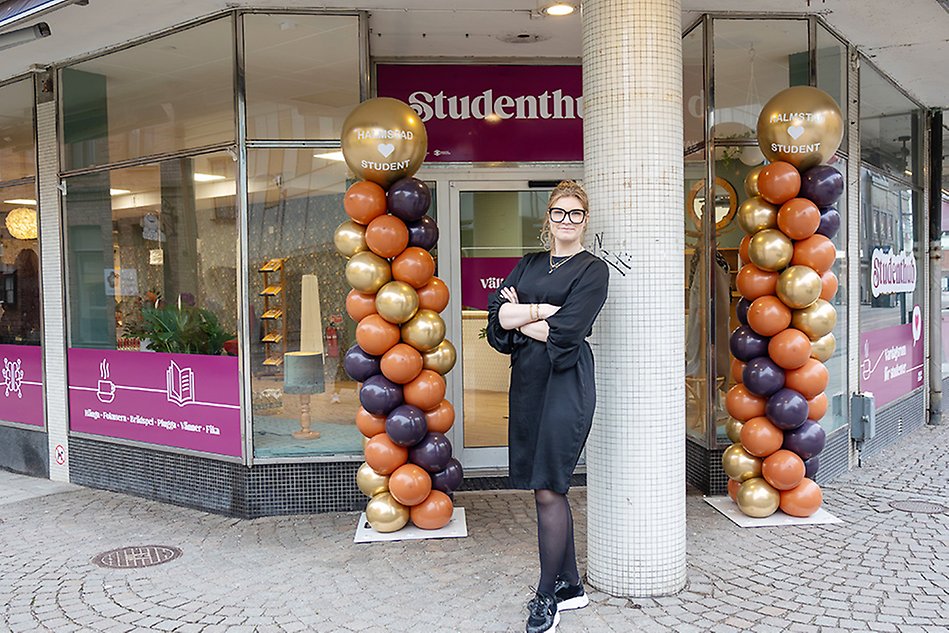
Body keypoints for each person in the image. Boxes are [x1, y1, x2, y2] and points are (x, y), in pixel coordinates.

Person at [485, 180, 609, 633]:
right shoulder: (530, 263)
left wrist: (526, 313)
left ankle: (545, 597)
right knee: (547, 485)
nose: (568, 221)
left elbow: (570, 332)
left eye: (576, 214)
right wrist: (543, 312)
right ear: (549, 218)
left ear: (585, 220)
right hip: (529, 386)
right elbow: (497, 318)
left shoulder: (593, 271)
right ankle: (571, 587)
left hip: (567, 384)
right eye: (560, 212)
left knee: (549, 487)